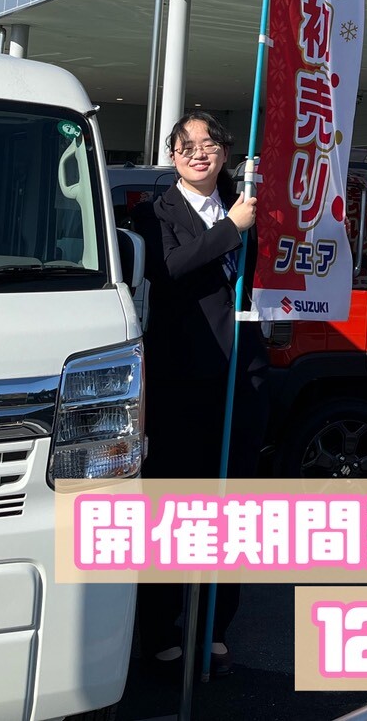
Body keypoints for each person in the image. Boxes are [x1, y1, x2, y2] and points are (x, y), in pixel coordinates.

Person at [134, 111, 268, 671]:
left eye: (209, 143)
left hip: (241, 376)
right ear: (173, 156)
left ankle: (215, 624)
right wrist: (230, 229)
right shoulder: (154, 213)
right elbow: (168, 270)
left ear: (225, 153)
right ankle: (160, 627)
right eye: (186, 145)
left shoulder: (250, 203)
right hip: (182, 380)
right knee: (174, 505)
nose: (198, 152)